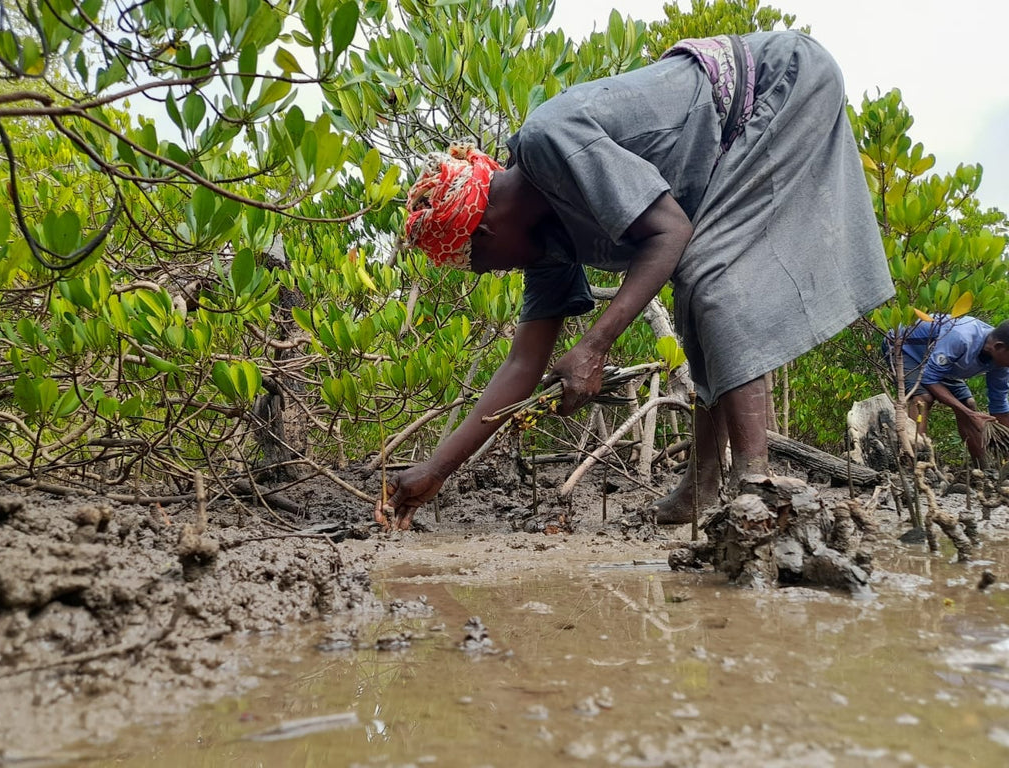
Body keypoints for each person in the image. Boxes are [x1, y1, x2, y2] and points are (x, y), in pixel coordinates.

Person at [374, 31, 895, 531]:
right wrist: (436, 470)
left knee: (710, 275)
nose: (501, 270)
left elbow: (670, 232)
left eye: (487, 263)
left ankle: (753, 486)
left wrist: (596, 345)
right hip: (742, 123)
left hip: (780, 83)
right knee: (698, 286)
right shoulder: (546, 244)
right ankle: (705, 484)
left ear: (487, 230)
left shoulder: (548, 142)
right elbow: (522, 363)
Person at [888, 314, 1009, 463]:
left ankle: (984, 468)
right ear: (999, 347)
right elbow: (929, 378)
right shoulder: (962, 337)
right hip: (904, 347)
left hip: (939, 363)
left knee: (968, 404)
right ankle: (916, 460)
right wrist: (969, 414)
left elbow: (999, 405)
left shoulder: (1001, 363)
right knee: (923, 399)